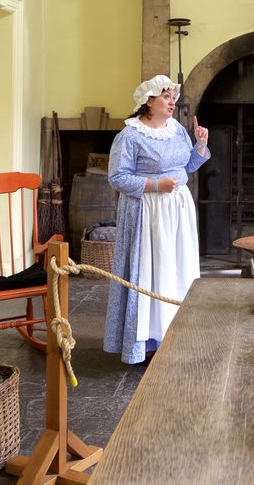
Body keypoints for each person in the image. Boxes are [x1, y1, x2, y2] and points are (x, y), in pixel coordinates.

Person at [104, 75, 210, 364]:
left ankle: (175, 333)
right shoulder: (130, 135)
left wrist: (200, 146)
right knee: (152, 272)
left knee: (177, 270)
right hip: (147, 211)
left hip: (177, 209)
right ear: (147, 102)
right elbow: (117, 178)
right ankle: (146, 340)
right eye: (165, 96)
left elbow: (186, 166)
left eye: (173, 96)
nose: (172, 101)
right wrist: (155, 186)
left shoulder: (176, 130)